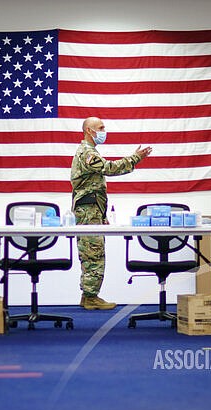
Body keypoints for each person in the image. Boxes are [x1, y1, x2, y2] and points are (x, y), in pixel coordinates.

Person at [70, 117, 152, 310]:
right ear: (89, 131)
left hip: (92, 210)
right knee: (93, 254)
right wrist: (135, 158)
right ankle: (91, 297)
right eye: (100, 128)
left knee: (92, 252)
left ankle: (88, 296)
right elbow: (110, 168)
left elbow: (92, 186)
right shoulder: (87, 153)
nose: (103, 131)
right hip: (88, 211)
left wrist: (101, 213)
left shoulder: (88, 152)